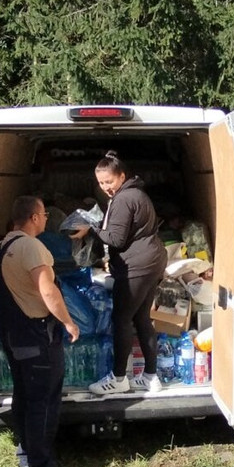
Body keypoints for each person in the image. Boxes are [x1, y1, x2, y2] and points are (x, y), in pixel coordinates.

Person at [0, 196, 80, 467]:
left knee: (25, 397)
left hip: (13, 333)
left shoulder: (2, 247)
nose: (45, 219)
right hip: (36, 333)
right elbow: (47, 291)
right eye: (43, 214)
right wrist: (68, 321)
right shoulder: (31, 246)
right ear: (33, 218)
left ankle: (26, 454)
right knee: (44, 400)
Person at [78, 150, 167, 395]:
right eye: (101, 183)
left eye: (109, 181)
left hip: (136, 267)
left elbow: (115, 239)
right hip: (153, 261)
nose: (106, 187)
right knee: (141, 319)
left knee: (121, 320)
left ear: (122, 176)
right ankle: (150, 376)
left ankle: (118, 379)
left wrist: (91, 228)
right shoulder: (136, 193)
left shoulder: (124, 199)